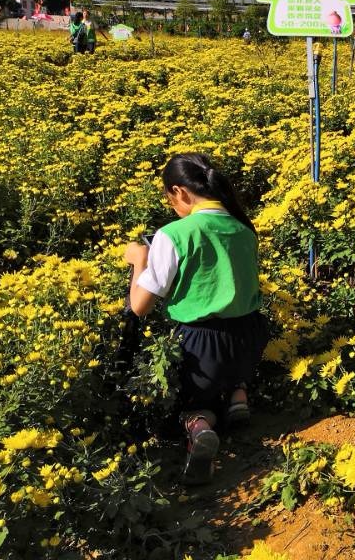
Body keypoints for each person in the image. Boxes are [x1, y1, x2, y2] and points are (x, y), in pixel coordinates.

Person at [123, 153, 268, 485]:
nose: (171, 206)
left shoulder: (174, 234)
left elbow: (140, 305)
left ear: (181, 192)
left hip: (202, 345)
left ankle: (199, 427)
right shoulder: (244, 228)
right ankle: (237, 395)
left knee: (191, 402)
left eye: (169, 198)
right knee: (229, 364)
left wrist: (139, 259)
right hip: (250, 340)